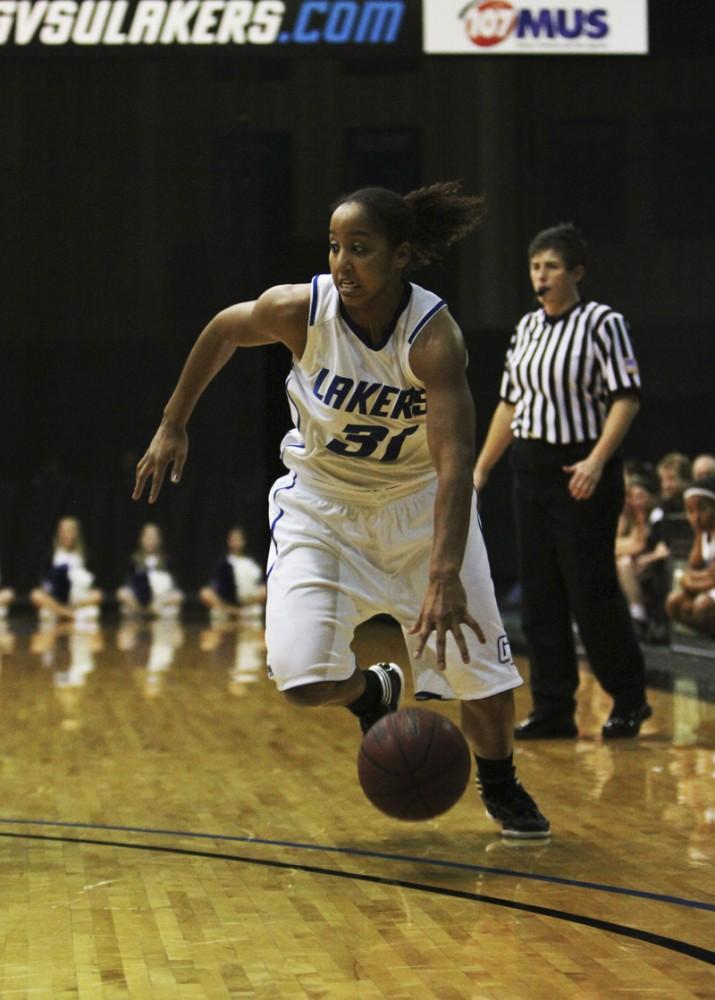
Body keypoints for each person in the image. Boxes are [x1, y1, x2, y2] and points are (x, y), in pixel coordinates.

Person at [132, 181, 549, 839]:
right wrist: (172, 422)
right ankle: (371, 692)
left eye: (360, 248)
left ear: (401, 256)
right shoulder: (300, 311)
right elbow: (221, 330)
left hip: (419, 510)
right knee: (300, 680)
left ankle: (500, 786)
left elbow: (452, 466)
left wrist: (443, 573)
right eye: (333, 247)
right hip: (321, 510)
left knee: (482, 676)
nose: (341, 263)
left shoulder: (432, 339)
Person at [473, 223, 650, 740]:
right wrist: (482, 468)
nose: (540, 275)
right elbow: (510, 403)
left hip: (582, 469)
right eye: (534, 266)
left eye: (550, 266)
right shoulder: (526, 328)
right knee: (540, 596)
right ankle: (553, 707)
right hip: (530, 470)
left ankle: (630, 698)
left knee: (590, 591)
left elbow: (626, 396)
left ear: (576, 273)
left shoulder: (602, 323)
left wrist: (597, 461)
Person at [666, 476, 715, 639]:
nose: (696, 517)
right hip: (707, 587)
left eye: (702, 509)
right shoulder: (702, 535)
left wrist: (691, 582)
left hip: (708, 589)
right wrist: (693, 579)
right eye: (691, 511)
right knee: (674, 602)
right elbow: (691, 569)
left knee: (702, 605)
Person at [30, 517, 103, 624]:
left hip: (78, 599)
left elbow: (93, 586)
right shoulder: (50, 556)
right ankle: (67, 614)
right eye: (63, 532)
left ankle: (64, 613)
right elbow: (44, 583)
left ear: (77, 534)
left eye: (70, 532)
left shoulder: (86, 556)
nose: (67, 535)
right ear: (58, 533)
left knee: (98, 595)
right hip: (56, 600)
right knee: (35, 595)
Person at [116, 522, 184, 618]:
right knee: (122, 593)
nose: (151, 541)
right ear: (141, 539)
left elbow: (175, 588)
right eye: (148, 537)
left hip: (160, 601)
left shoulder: (168, 560)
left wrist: (161, 601)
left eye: (154, 537)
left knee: (178, 596)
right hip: (138, 601)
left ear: (159, 540)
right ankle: (142, 611)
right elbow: (127, 585)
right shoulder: (133, 560)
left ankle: (152, 611)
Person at [199, 525, 267, 621]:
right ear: (229, 541)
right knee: (205, 593)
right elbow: (214, 586)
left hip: (248, 602)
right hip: (226, 602)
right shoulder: (223, 563)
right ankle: (232, 612)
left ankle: (242, 611)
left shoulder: (251, 563)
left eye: (238, 540)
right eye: (233, 540)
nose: (236, 543)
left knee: (266, 590)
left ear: (244, 541)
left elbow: (261, 584)